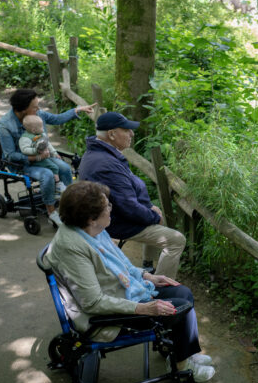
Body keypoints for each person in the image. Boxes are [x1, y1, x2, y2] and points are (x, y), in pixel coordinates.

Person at [46, 181, 214, 382]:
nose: (111, 208)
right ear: (91, 219)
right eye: (107, 206)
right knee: (179, 307)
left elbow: (122, 265)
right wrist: (143, 308)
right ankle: (182, 367)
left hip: (120, 292)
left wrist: (146, 276)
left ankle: (185, 354)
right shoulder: (72, 248)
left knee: (181, 293)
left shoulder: (90, 230)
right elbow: (92, 302)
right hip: (105, 314)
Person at [78, 111, 186, 279]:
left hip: (114, 214)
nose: (132, 133)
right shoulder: (106, 163)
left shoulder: (100, 152)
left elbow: (125, 195)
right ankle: (161, 290)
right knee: (176, 240)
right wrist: (152, 216)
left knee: (155, 213)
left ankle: (148, 266)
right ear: (112, 134)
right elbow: (127, 206)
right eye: (126, 129)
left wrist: (150, 208)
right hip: (115, 222)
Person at [0, 88, 93, 226]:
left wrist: (77, 110)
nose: (39, 109)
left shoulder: (38, 114)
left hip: (43, 157)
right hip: (23, 163)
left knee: (65, 168)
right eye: (35, 107)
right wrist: (33, 158)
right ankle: (51, 212)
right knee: (47, 175)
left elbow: (57, 119)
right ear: (23, 109)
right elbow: (10, 156)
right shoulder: (5, 125)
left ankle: (69, 206)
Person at [20, 114, 70, 194]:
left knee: (60, 166)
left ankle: (49, 187)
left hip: (45, 157)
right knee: (53, 167)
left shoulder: (41, 134)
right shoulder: (25, 138)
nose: (43, 128)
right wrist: (36, 151)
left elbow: (48, 144)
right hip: (36, 160)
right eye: (41, 127)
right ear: (33, 130)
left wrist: (54, 153)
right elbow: (24, 149)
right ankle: (57, 185)